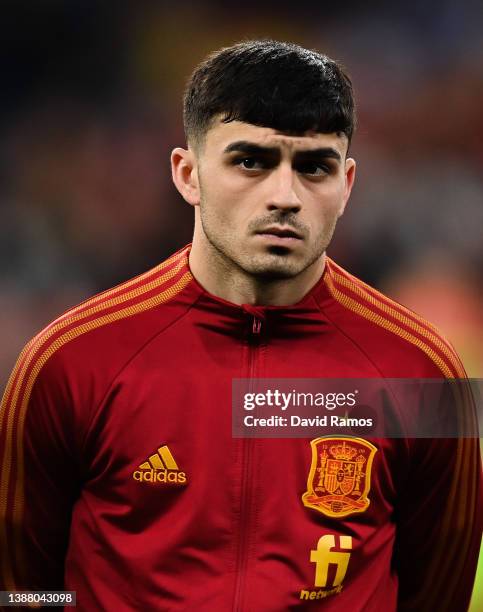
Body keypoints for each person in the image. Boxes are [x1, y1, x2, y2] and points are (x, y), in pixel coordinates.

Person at [0, 40, 480, 611]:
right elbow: (22, 589)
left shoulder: (426, 371)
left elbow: (438, 592)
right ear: (188, 174)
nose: (285, 196)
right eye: (250, 161)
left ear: (347, 185)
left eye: (314, 167)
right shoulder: (69, 360)